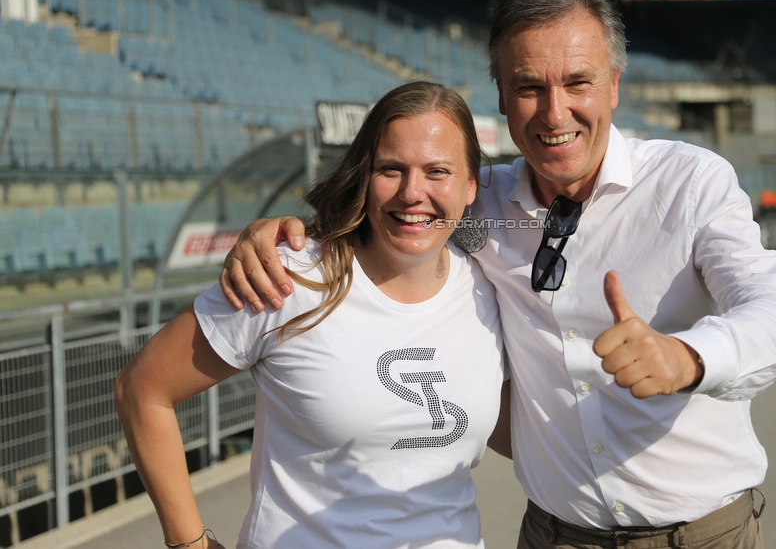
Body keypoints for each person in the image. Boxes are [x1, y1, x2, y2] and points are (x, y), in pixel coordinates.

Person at [220, 0, 776, 549]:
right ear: (501, 97)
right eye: (529, 87)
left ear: (614, 84)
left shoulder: (689, 185)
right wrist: (291, 237)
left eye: (577, 82)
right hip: (557, 534)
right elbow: (404, 216)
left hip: (703, 534)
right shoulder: (483, 209)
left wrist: (687, 357)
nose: (555, 114)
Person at [115, 81, 507, 549]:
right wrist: (188, 542)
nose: (412, 192)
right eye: (391, 169)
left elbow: (512, 432)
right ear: (365, 176)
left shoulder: (490, 286)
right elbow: (143, 389)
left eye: (437, 171)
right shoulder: (288, 277)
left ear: (469, 187)